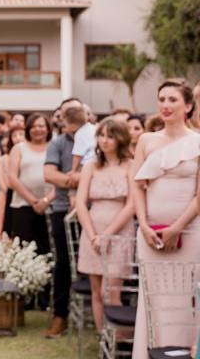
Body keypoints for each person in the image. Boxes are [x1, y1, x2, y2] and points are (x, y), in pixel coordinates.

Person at [131, 80, 200, 358]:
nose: (166, 105)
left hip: (190, 232)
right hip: (150, 234)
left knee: (186, 296)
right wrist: (143, 225)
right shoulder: (146, 140)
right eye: (162, 99)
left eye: (173, 100)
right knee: (154, 299)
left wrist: (177, 228)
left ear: (188, 106)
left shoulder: (198, 141)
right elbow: (136, 186)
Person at [75, 118, 135, 333]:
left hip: (119, 231)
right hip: (92, 229)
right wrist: (92, 234)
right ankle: (102, 337)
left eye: (110, 136)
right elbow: (80, 202)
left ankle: (118, 340)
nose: (105, 140)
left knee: (111, 291)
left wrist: (107, 235)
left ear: (120, 139)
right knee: (96, 291)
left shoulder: (130, 165)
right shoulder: (90, 166)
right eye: (101, 135)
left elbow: (132, 205)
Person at [43, 97, 85, 338]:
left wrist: (77, 181)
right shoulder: (57, 143)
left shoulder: (94, 138)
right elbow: (49, 174)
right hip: (62, 208)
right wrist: (81, 180)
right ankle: (60, 315)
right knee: (63, 263)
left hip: (92, 209)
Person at [8, 113, 53, 253]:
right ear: (27, 129)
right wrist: (33, 201)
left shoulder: (54, 147)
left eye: (41, 126)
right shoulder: (19, 148)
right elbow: (12, 178)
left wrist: (46, 200)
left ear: (48, 129)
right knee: (23, 249)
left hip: (50, 205)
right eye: (33, 126)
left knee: (47, 249)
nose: (37, 129)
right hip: (23, 204)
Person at [0, 125, 25, 238]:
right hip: (8, 194)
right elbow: (3, 184)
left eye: (21, 134)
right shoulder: (3, 159)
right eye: (14, 135)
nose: (18, 138)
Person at [66, 105, 97, 172]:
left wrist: (73, 170)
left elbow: (78, 154)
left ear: (72, 125)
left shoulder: (80, 134)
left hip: (87, 164)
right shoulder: (93, 128)